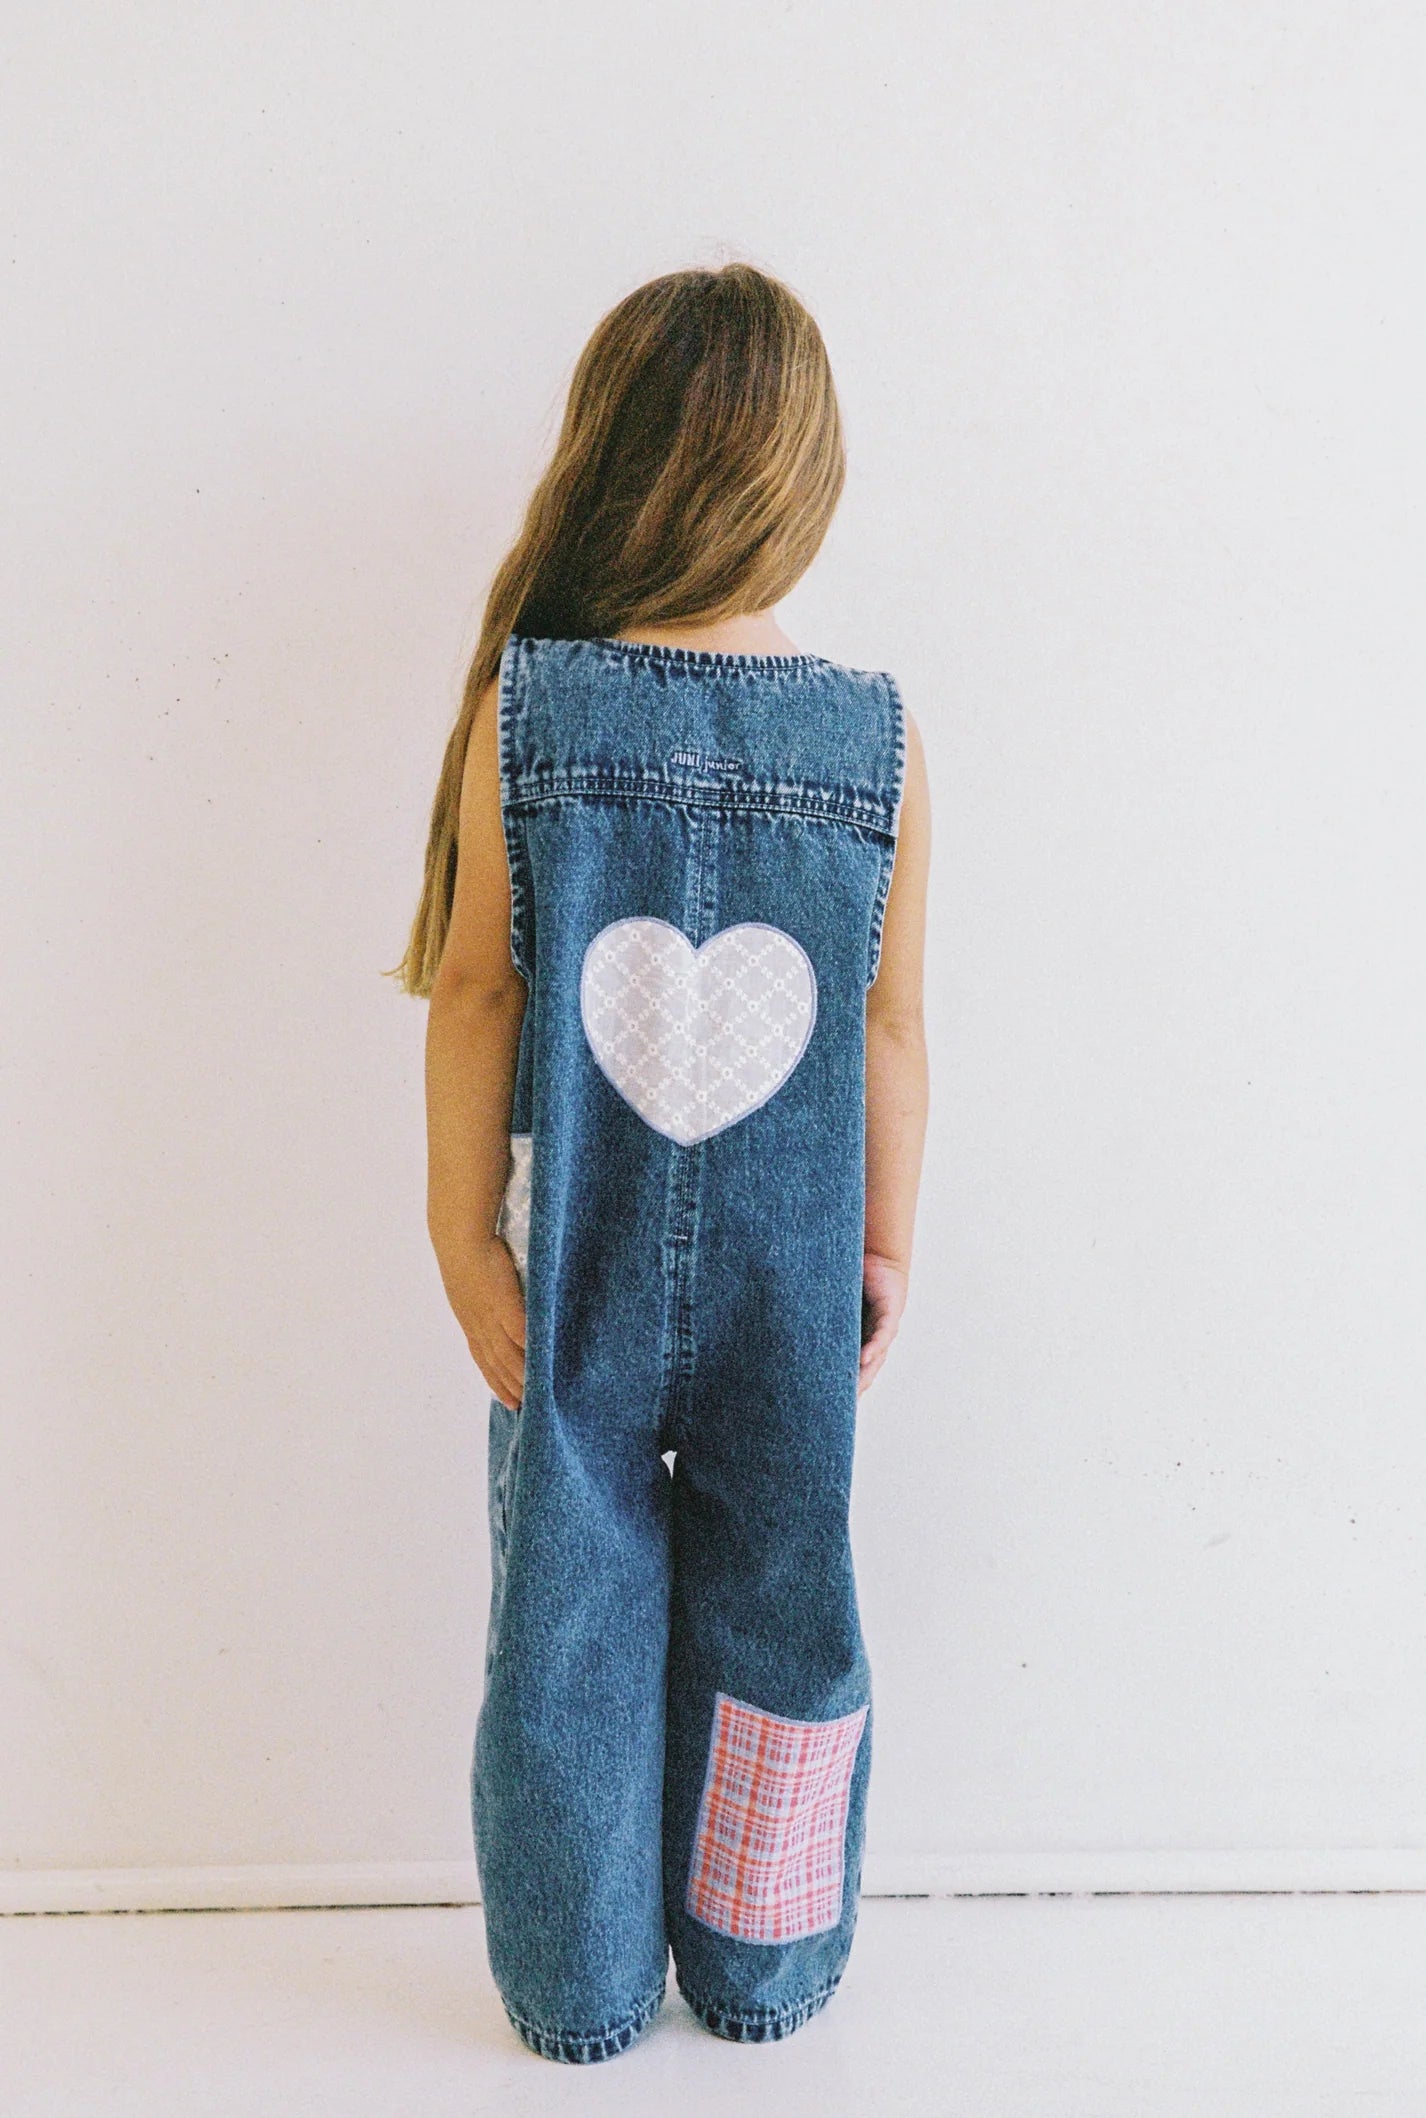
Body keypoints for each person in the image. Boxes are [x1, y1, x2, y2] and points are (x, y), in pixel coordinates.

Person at [391, 262, 930, 2063]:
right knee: (787, 1595)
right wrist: (881, 1250)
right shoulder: (874, 737)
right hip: (790, 1284)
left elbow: (474, 995)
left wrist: (470, 1241)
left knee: (569, 1612)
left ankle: (573, 1983)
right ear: (802, 475)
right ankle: (762, 1966)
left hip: (585, 1268)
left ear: (610, 458)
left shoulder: (529, 714)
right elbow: (887, 1037)